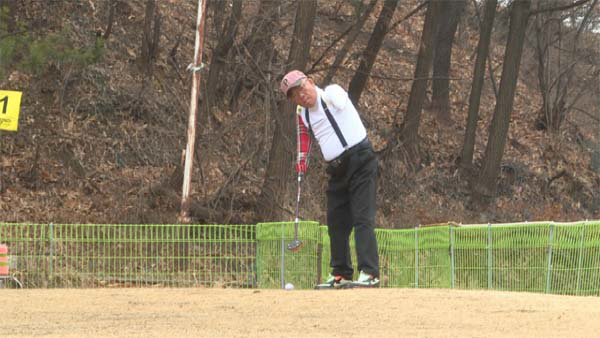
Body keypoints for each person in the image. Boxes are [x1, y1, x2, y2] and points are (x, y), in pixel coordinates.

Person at [280, 70, 380, 288]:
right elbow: (304, 138)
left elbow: (343, 104)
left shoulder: (331, 93)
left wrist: (335, 98)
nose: (302, 96)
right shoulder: (302, 113)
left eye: (302, 88)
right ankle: (341, 273)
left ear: (311, 82)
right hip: (336, 169)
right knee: (336, 222)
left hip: (360, 159)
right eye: (295, 95)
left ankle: (370, 272)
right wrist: (301, 160)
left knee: (362, 217)